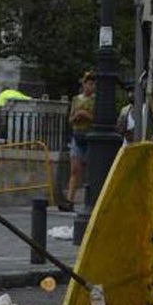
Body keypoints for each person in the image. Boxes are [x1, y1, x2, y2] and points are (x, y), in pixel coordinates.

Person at [61, 71, 95, 212]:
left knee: (89, 170)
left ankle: (90, 199)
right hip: (77, 135)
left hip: (89, 136)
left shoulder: (96, 100)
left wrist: (85, 115)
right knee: (74, 170)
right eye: (89, 83)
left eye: (93, 84)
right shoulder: (76, 99)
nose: (91, 86)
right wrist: (76, 117)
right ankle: (70, 200)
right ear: (84, 84)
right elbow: (70, 119)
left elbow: (97, 120)